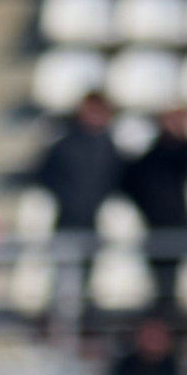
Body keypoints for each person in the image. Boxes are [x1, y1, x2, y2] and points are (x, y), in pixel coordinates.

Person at [37, 92, 121, 325]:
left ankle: (83, 330)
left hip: (94, 225)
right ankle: (64, 332)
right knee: (65, 285)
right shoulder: (65, 145)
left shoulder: (109, 148)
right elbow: (46, 176)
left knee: (89, 283)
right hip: (68, 224)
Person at [122, 107, 187, 316]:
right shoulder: (151, 160)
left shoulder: (185, 156)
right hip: (155, 229)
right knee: (160, 288)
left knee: (177, 287)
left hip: (179, 230)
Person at [108, 312, 180, 375]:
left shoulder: (174, 366)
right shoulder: (126, 365)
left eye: (157, 334)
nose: (153, 339)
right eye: (149, 334)